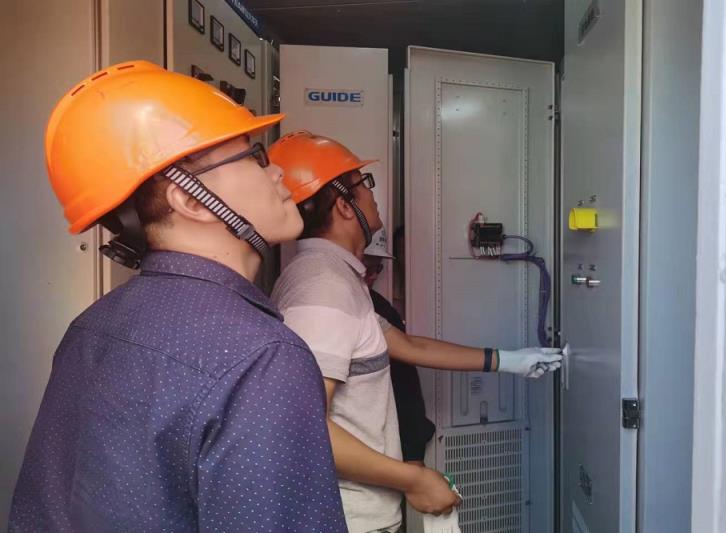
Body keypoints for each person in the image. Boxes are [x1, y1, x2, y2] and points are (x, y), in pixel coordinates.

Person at [9, 62, 346, 532]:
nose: (277, 172)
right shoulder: (262, 357)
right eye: (254, 157)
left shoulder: (92, 325)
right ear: (190, 200)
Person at [269, 131, 561, 533]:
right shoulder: (323, 290)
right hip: (349, 519)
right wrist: (415, 479)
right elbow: (304, 424)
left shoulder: (332, 277)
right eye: (364, 184)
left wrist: (510, 360)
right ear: (344, 205)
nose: (373, 196)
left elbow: (405, 344)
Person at [363, 228, 435, 467]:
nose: (373, 275)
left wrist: (413, 453)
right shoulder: (351, 304)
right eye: (367, 267)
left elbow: (405, 386)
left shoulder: (380, 308)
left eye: (378, 268)